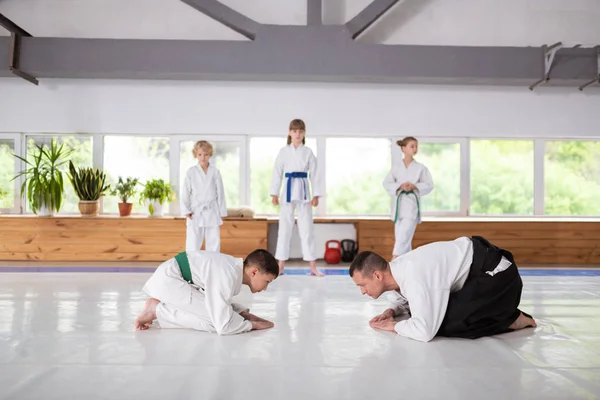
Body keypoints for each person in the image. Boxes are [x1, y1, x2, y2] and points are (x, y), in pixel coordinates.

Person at [349, 236, 537, 342]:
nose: (362, 292)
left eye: (362, 285)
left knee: (444, 322)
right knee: (422, 310)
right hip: (480, 271)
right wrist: (391, 311)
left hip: (499, 278)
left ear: (377, 276)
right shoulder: (397, 268)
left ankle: (512, 319)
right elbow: (403, 294)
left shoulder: (415, 275)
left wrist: (393, 326)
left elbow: (425, 331)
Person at [134, 249, 279, 335]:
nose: (265, 288)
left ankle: (158, 307)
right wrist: (253, 325)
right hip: (170, 280)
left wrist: (244, 315)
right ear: (254, 272)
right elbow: (223, 326)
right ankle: (157, 310)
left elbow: (219, 303)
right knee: (214, 322)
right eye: (267, 281)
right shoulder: (228, 274)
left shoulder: (232, 270)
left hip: (176, 279)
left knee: (220, 313)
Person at [270, 118, 324, 276]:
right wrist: (274, 192)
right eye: (294, 131)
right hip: (287, 189)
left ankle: (312, 266)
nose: (297, 134)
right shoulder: (283, 152)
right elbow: (277, 172)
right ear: (289, 133)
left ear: (304, 133)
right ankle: (280, 265)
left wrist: (316, 194)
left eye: (300, 131)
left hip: (303, 190)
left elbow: (315, 174)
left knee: (307, 228)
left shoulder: (307, 152)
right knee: (285, 228)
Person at [383, 137, 434, 259]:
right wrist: (400, 186)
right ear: (403, 148)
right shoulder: (396, 167)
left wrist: (415, 186)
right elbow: (386, 183)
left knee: (403, 237)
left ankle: (394, 260)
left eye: (416, 146)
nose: (415, 149)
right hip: (399, 207)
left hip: (411, 208)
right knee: (404, 240)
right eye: (412, 146)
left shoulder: (421, 168)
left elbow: (429, 184)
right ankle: (405, 266)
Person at [181, 140, 227, 252]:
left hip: (212, 210)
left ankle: (213, 265)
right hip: (195, 211)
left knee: (213, 242)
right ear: (195, 154)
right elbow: (185, 192)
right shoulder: (191, 172)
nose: (203, 157)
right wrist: (186, 210)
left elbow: (220, 193)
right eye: (200, 154)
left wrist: (222, 211)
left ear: (210, 154)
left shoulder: (215, 172)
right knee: (193, 242)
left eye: (206, 154)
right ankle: (191, 266)